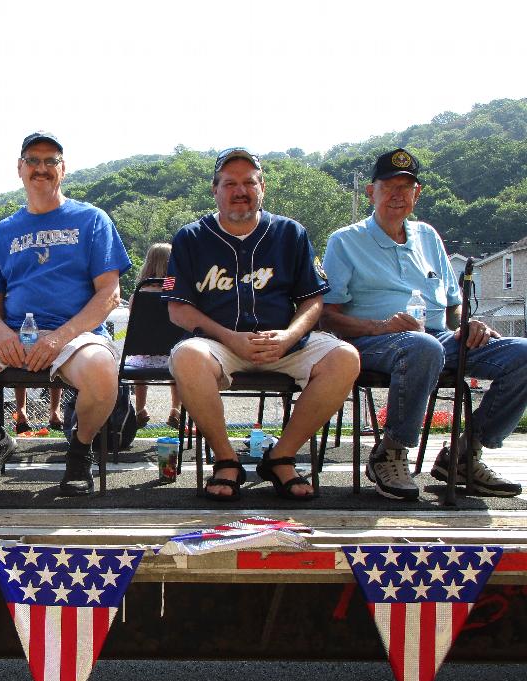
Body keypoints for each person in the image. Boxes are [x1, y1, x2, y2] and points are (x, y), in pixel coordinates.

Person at [0, 131, 131, 496]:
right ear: (19, 168)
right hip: (13, 337)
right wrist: (2, 334)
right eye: (33, 160)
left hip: (76, 337)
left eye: (51, 160)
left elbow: (109, 294)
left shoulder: (92, 220)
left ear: (63, 169)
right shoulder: (4, 231)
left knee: (103, 372)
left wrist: (59, 338)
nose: (42, 168)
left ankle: (80, 451)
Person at [322, 148, 527, 499]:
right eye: (389, 186)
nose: (398, 195)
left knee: (523, 353)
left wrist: (469, 325)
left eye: (406, 187)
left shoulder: (428, 236)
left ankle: (464, 455)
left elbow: (452, 307)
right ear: (371, 192)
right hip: (374, 341)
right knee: (423, 347)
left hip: (436, 338)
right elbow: (328, 316)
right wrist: (379, 326)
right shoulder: (345, 240)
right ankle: (390, 452)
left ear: (417, 194)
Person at [165, 148, 359, 500]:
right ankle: (226, 461)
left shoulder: (291, 233)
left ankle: (281, 456)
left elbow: (313, 299)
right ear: (215, 190)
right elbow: (178, 309)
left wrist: (290, 335)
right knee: (186, 356)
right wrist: (229, 338)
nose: (240, 190)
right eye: (230, 183)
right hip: (220, 343)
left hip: (283, 340)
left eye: (248, 182)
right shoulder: (191, 237)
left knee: (345, 357)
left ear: (262, 187)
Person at [128, 242, 181, 428]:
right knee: (178, 364)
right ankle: (176, 409)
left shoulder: (138, 294)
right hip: (172, 358)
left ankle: (141, 409)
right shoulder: (177, 295)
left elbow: (134, 328)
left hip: (144, 359)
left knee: (139, 360)